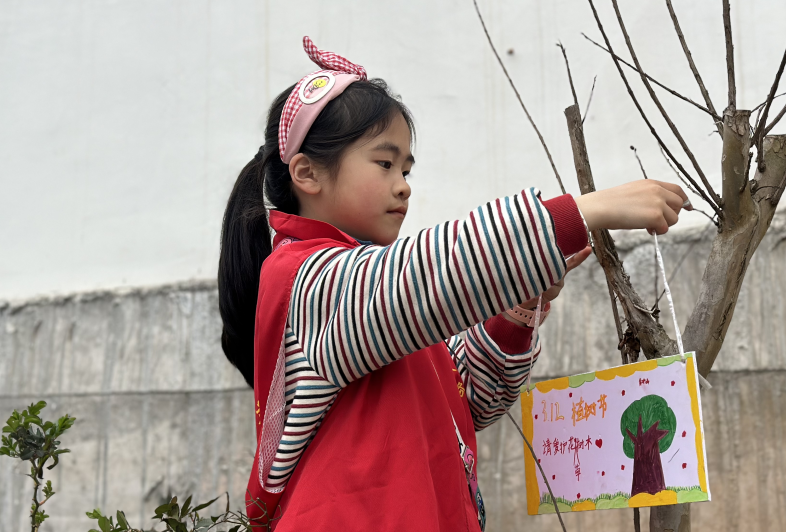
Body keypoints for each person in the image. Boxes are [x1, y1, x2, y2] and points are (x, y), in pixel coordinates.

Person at [218, 37, 690, 531]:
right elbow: (424, 277)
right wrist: (582, 211)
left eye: (406, 168)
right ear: (307, 174)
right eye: (384, 163)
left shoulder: (385, 309)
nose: (403, 184)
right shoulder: (304, 278)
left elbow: (469, 398)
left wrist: (517, 311)